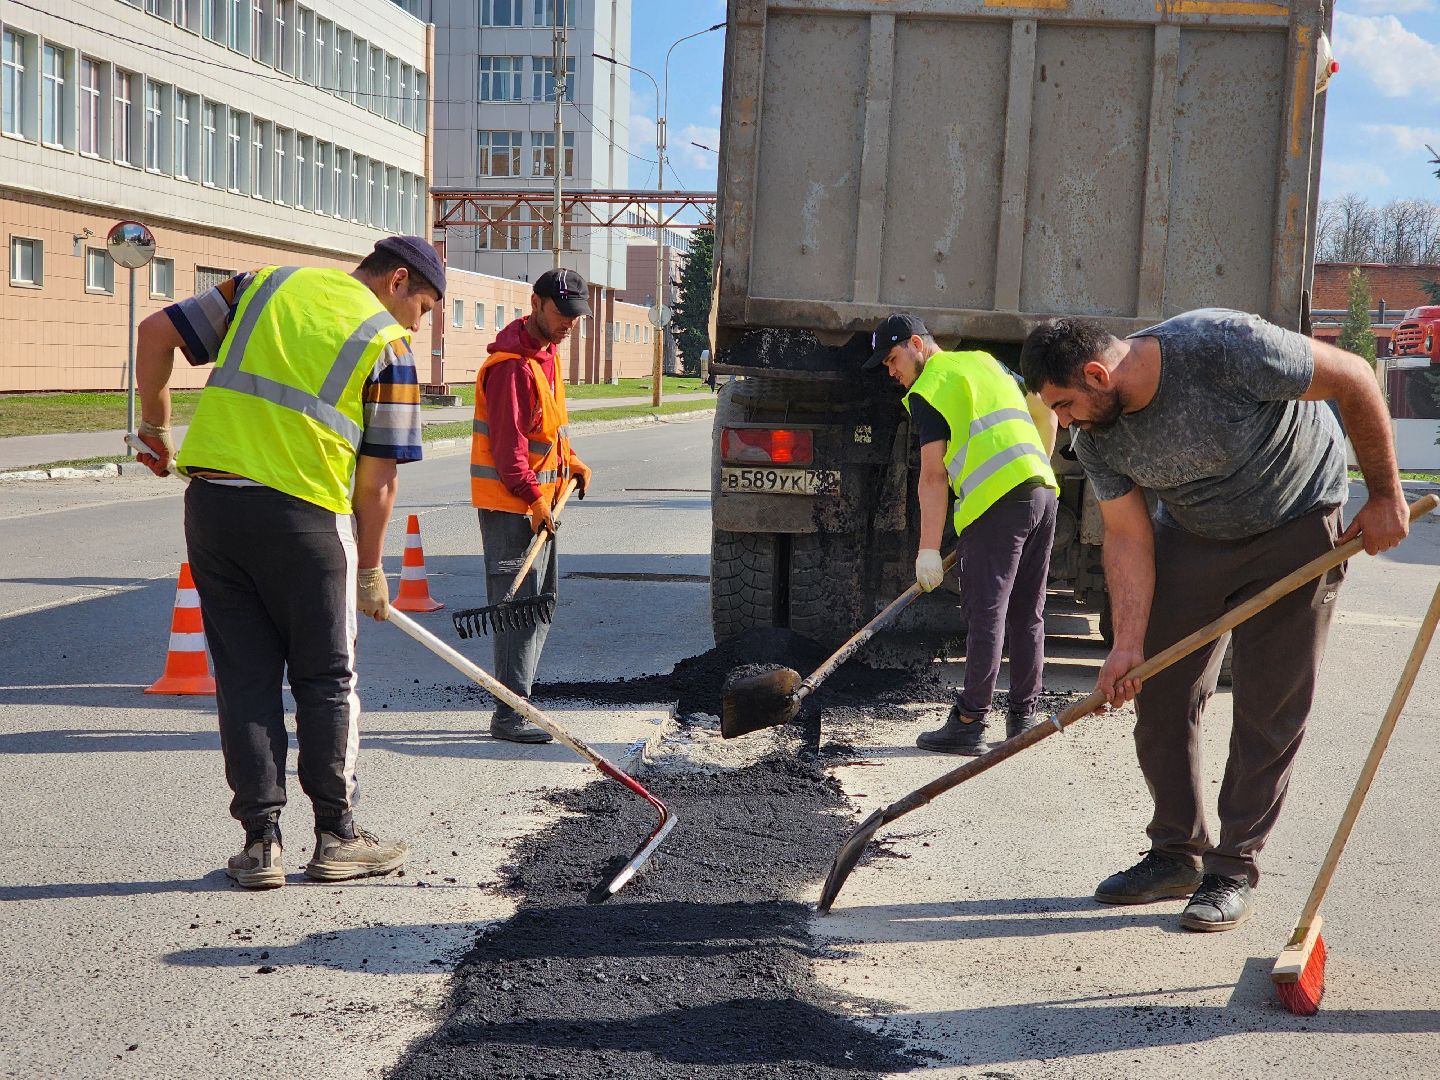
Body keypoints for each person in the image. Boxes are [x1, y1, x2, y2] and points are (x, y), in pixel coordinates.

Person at [1019, 308, 1406, 932]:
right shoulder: (1097, 438)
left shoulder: (1225, 348)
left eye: (1064, 404)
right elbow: (1125, 535)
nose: (1061, 424)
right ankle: (1175, 854)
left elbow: (1355, 376)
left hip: (1298, 521)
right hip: (1195, 534)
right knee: (1161, 691)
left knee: (1269, 704)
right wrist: (1128, 645)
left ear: (1097, 373)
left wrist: (1385, 495)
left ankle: (1232, 868)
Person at [133, 235, 442, 889]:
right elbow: (379, 480)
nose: (422, 321)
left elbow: (154, 333)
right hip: (306, 518)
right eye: (424, 305)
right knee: (327, 679)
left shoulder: (264, 285)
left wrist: (156, 427)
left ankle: (259, 846)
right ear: (395, 281)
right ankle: (337, 836)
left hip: (214, 508)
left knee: (245, 678)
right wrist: (372, 569)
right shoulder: (389, 344)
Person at [866, 313, 1059, 755]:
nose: (891, 371)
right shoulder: (986, 362)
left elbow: (932, 476)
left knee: (986, 613)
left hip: (997, 504)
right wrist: (1035, 469)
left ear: (917, 344)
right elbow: (1043, 406)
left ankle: (970, 720)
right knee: (1028, 612)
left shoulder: (930, 388)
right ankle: (1023, 719)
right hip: (1042, 493)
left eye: (893, 359)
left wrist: (927, 550)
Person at [470, 267, 593, 743]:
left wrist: (573, 461)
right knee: (518, 610)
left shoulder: (547, 355)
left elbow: (549, 431)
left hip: (541, 503)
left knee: (541, 603)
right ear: (536, 303)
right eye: (562, 313)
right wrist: (535, 498)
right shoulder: (511, 368)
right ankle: (509, 713)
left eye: (575, 317)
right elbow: (508, 451)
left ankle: (517, 700)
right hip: (513, 507)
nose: (568, 323)